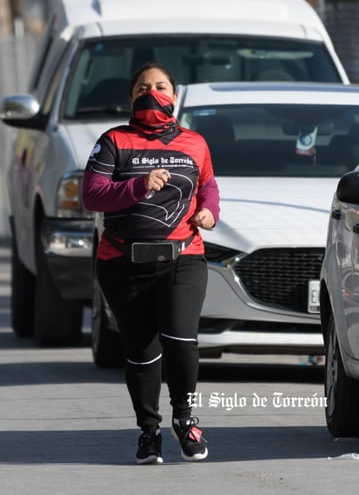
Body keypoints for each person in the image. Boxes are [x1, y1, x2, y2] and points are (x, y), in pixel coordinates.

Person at [81, 62, 220, 465]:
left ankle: (186, 419)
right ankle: (149, 432)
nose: (152, 93)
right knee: (141, 353)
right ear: (130, 97)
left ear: (174, 96)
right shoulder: (113, 141)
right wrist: (139, 185)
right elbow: (93, 195)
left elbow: (208, 184)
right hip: (123, 264)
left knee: (180, 338)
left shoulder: (194, 143)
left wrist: (210, 212)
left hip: (183, 259)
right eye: (143, 87)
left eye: (161, 86)